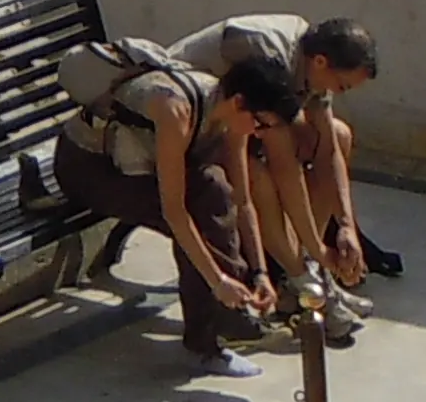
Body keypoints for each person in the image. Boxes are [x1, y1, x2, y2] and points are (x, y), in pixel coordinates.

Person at [49, 31, 291, 374]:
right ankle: (206, 341)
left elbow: (242, 198)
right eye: (261, 123)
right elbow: (174, 211)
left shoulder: (234, 119)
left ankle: (223, 316)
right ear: (239, 102)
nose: (260, 133)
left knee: (216, 191)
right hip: (88, 169)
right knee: (200, 212)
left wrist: (260, 272)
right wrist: (217, 280)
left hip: (135, 169)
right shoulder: (174, 109)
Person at [178, 12, 402, 307]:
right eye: (342, 86)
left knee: (339, 133)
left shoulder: (314, 62)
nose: (337, 93)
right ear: (321, 62)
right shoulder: (268, 55)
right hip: (193, 127)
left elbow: (329, 148)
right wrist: (321, 249)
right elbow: (285, 167)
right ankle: (299, 276)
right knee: (258, 174)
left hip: (246, 124)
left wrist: (346, 225)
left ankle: (312, 270)